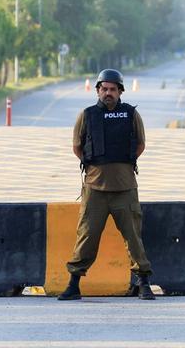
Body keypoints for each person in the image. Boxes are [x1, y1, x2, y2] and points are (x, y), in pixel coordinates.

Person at [58, 68, 154, 301]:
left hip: (125, 188)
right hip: (95, 189)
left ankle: (143, 283)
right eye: (104, 89)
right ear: (98, 91)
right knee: (87, 236)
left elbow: (140, 144)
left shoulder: (131, 114)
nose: (108, 93)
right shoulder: (87, 115)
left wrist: (122, 164)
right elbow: (77, 147)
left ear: (120, 91)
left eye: (112, 89)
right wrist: (95, 166)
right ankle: (73, 284)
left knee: (133, 237)